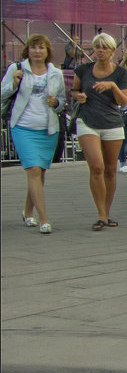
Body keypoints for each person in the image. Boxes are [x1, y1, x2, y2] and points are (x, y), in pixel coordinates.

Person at [2, 34, 66, 233]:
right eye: (33, 47)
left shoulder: (56, 73)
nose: (37, 51)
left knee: (39, 173)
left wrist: (56, 103)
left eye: (41, 48)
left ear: (47, 52)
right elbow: (2, 93)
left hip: (48, 129)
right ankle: (43, 219)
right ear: (27, 50)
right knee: (34, 170)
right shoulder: (17, 69)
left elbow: (62, 101)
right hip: (22, 127)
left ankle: (28, 212)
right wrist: (13, 83)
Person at [71, 32, 127, 231]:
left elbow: (123, 101)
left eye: (105, 47)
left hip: (112, 123)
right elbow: (74, 90)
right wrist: (78, 95)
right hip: (87, 121)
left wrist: (112, 85)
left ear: (113, 51)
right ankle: (100, 214)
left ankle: (106, 211)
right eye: (97, 46)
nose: (100, 50)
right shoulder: (83, 70)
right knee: (96, 167)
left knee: (110, 170)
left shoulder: (121, 74)